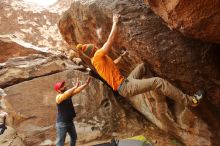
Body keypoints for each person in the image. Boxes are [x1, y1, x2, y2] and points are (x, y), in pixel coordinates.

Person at [76, 14, 204, 107]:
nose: (97, 46)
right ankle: (190, 101)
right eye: (95, 47)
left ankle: (157, 93)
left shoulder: (96, 61)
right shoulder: (98, 55)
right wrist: (115, 22)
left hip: (126, 81)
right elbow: (110, 40)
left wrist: (122, 56)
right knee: (158, 82)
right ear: (93, 50)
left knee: (143, 66)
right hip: (125, 87)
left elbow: (112, 65)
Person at [54, 77, 91, 146]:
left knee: (74, 138)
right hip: (62, 124)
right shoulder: (58, 97)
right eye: (61, 86)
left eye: (63, 85)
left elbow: (77, 90)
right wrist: (74, 87)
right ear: (58, 90)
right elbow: (65, 94)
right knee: (60, 143)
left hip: (70, 122)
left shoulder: (68, 95)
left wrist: (86, 84)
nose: (64, 86)